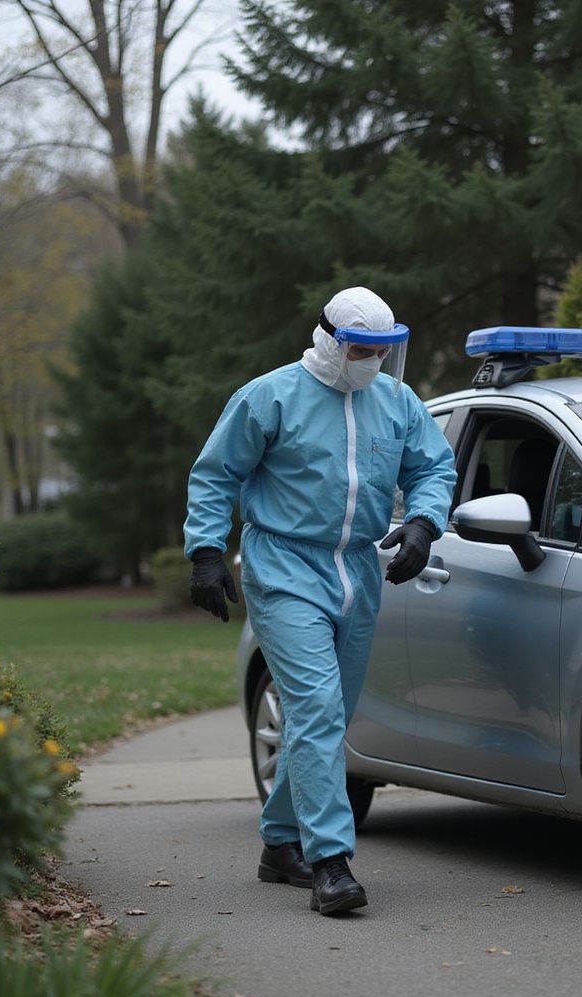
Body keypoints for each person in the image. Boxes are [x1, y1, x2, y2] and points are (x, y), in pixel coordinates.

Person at [183, 287, 456, 915]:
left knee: (326, 717)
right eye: (359, 349)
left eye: (381, 352)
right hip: (283, 563)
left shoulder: (395, 402)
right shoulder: (270, 396)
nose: (369, 361)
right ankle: (331, 861)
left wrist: (422, 523)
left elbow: (434, 468)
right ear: (328, 340)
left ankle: (281, 844)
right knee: (317, 705)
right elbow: (216, 471)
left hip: (358, 569)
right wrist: (204, 551)